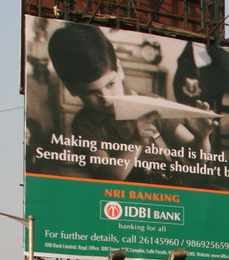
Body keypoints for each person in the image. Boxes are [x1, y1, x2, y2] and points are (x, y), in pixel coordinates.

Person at [45, 22, 215, 183]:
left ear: (119, 69)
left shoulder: (151, 104)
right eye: (92, 92)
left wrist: (201, 137)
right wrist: (136, 142)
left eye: (110, 84)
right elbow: (109, 178)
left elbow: (196, 159)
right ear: (71, 88)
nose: (105, 98)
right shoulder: (85, 125)